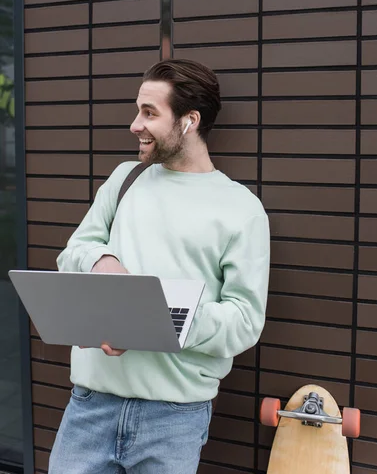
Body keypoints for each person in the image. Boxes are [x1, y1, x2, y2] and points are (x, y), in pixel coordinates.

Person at [49, 59, 270, 474]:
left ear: (189, 121)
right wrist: (105, 263)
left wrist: (154, 317)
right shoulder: (125, 179)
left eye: (150, 113)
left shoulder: (241, 210)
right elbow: (74, 251)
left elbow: (244, 321)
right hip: (89, 406)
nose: (135, 124)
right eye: (138, 110)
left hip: (174, 418)